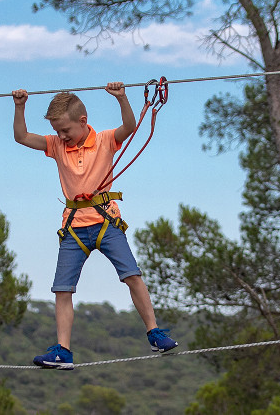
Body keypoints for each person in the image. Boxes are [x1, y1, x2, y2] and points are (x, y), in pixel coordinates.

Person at [11, 82, 177, 370]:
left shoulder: (104, 140)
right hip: (74, 227)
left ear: (83, 122)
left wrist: (122, 98)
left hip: (105, 221)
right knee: (62, 289)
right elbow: (22, 137)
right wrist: (20, 106)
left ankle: (154, 332)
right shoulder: (56, 145)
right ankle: (63, 351)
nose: (61, 136)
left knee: (132, 275)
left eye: (65, 130)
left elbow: (129, 126)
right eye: (58, 131)